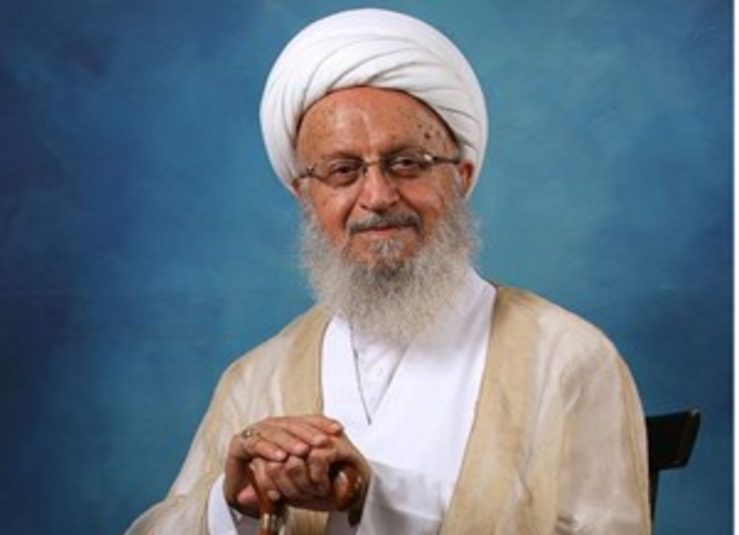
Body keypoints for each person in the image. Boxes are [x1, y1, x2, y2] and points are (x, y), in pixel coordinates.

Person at [124, 8, 651, 535]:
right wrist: (234, 504)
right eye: (342, 171)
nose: (377, 196)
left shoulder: (567, 358)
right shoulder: (257, 377)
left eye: (407, 163)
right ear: (305, 196)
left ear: (462, 177)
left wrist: (373, 495)